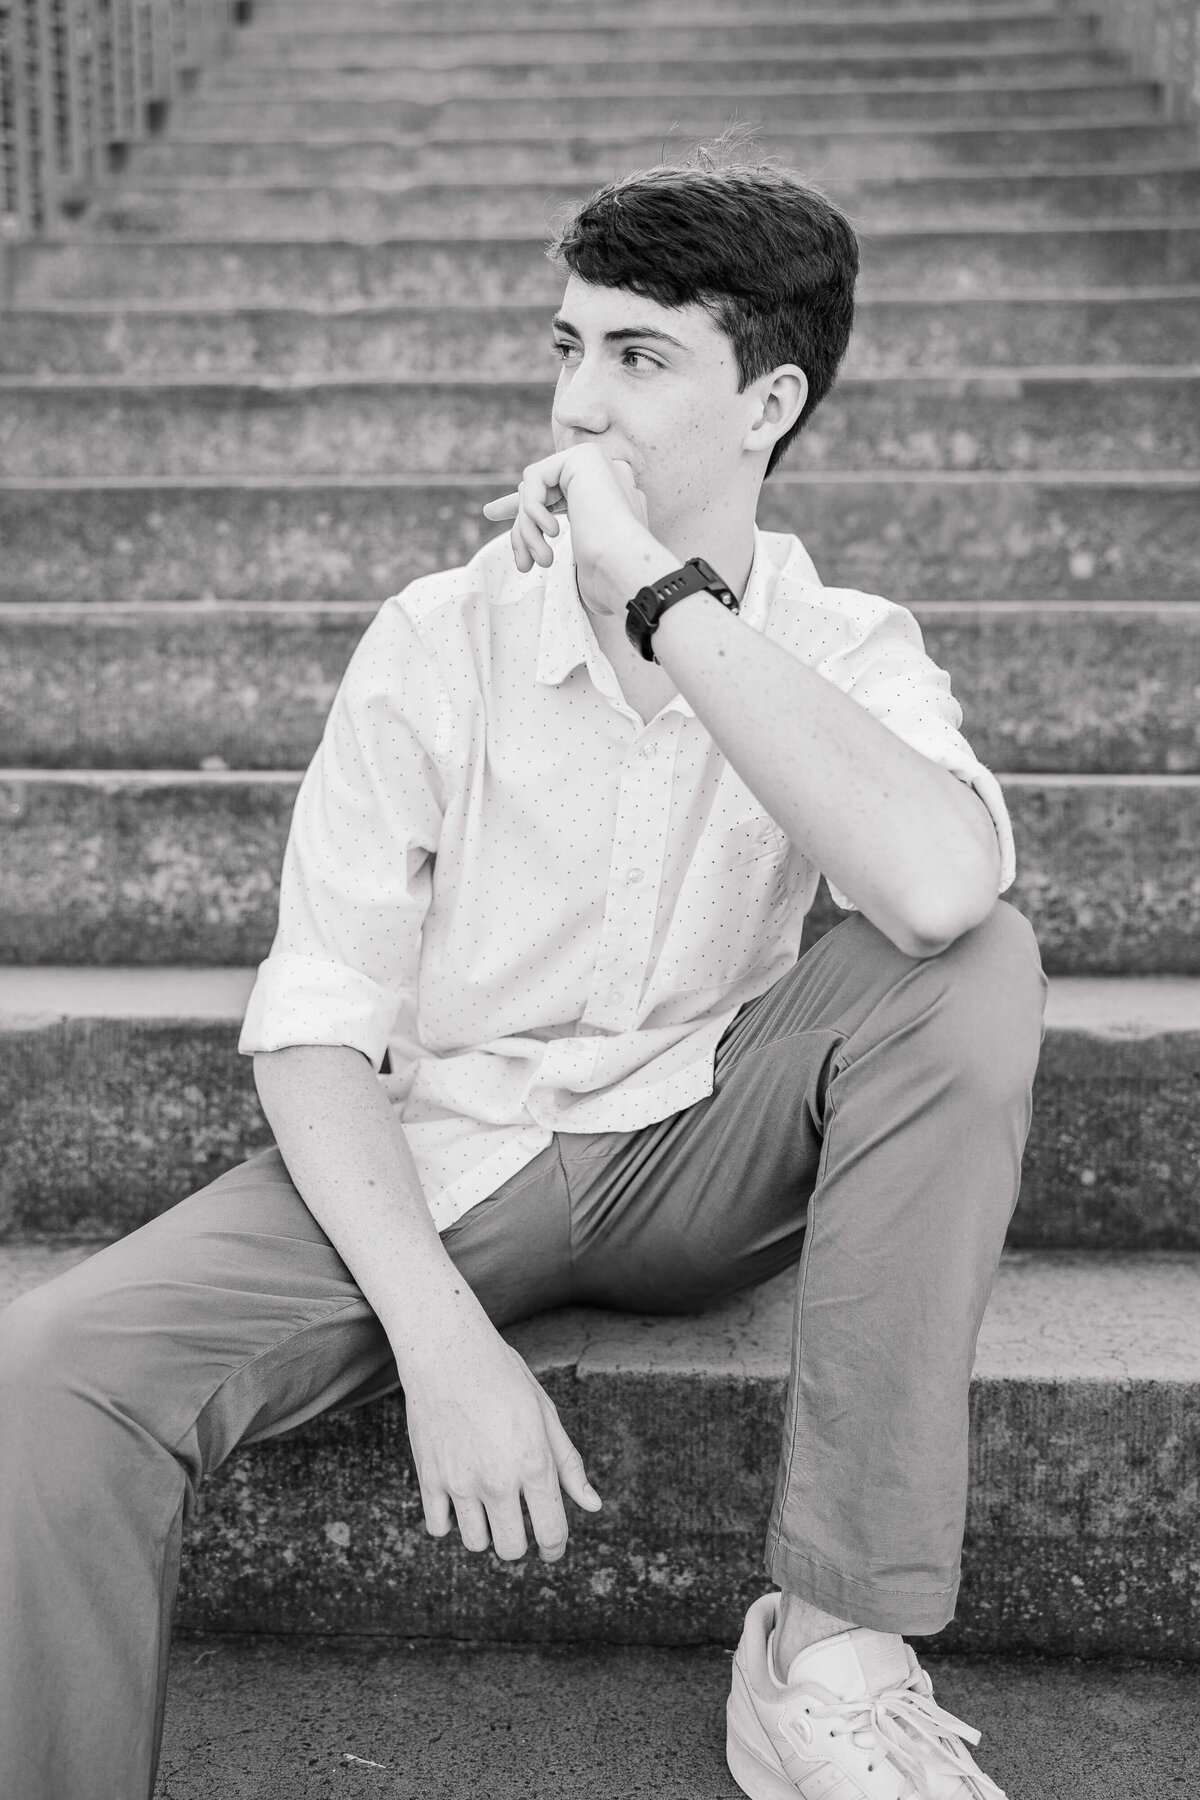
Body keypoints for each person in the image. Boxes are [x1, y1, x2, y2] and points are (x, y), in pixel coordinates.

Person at [0, 145, 1046, 1800]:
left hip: (702, 1145)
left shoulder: (843, 648)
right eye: (569, 348)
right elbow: (319, 1022)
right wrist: (447, 1347)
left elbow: (934, 887)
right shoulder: (437, 636)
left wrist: (657, 595)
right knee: (43, 1376)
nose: (578, 407)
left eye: (639, 360)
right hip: (442, 1156)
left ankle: (831, 1650)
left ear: (768, 404)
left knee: (978, 962)